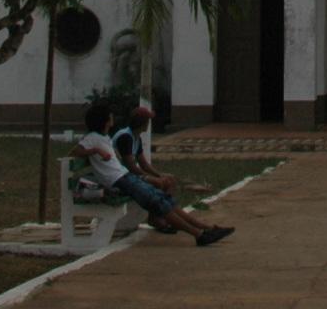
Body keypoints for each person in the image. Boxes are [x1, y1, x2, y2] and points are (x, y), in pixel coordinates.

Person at [72, 99, 232, 247]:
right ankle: (199, 234)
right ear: (106, 121)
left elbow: (140, 163)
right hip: (120, 181)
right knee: (160, 203)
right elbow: (75, 151)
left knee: (165, 200)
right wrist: (97, 150)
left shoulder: (104, 136)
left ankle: (207, 228)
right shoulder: (93, 137)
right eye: (110, 116)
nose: (112, 117)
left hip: (126, 178)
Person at [112, 101, 183, 234]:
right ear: (142, 123)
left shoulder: (136, 137)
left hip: (129, 174)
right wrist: (150, 177)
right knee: (158, 183)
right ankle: (155, 218)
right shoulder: (125, 137)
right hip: (122, 177)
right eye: (147, 121)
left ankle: (160, 216)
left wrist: (159, 174)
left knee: (168, 180)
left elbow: (143, 163)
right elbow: (130, 166)